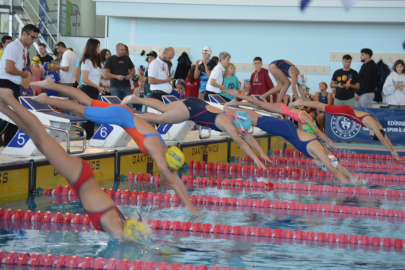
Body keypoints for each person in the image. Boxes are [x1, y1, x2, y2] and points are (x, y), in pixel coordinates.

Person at [0, 88, 155, 245]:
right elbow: (125, 240)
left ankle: (3, 107)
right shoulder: (113, 222)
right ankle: (9, 98)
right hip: (79, 176)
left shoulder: (119, 220)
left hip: (80, 177)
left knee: (37, 139)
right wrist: (151, 251)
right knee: (41, 135)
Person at [31, 79, 200, 217]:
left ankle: (50, 84)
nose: (170, 170)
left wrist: (189, 204)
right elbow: (171, 179)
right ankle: (45, 99)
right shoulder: (157, 150)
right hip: (120, 115)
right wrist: (190, 208)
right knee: (80, 110)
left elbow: (175, 178)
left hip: (124, 112)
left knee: (87, 101)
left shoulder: (164, 147)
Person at [222, 102, 356, 185]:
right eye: (322, 166)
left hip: (288, 128)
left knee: (256, 115)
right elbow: (334, 169)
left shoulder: (322, 151)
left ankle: (231, 107)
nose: (319, 167)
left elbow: (336, 168)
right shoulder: (319, 151)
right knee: (256, 116)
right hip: (286, 128)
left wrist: (356, 184)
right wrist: (351, 186)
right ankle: (230, 108)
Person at [122, 95, 270, 170]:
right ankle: (131, 116)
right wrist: (255, 159)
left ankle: (136, 99)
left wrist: (262, 153)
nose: (243, 132)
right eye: (243, 130)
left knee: (162, 107)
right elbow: (241, 143)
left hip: (195, 102)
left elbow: (247, 137)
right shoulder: (229, 126)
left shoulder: (233, 116)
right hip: (192, 110)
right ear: (239, 124)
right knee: (161, 119)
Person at [290, 99, 400, 160]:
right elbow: (382, 139)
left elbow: (385, 137)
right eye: (372, 135)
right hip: (346, 111)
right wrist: (391, 151)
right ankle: (300, 102)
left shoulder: (378, 126)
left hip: (347, 111)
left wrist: (394, 151)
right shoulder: (373, 125)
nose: (370, 133)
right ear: (375, 133)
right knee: (321, 106)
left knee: (321, 106)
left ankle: (301, 102)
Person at [226, 92, 336, 151]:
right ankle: (238, 98)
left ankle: (237, 103)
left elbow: (317, 134)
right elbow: (318, 132)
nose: (304, 129)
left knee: (259, 107)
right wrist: (330, 141)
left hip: (282, 110)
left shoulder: (305, 121)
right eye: (306, 129)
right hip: (282, 109)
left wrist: (328, 142)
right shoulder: (307, 119)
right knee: (259, 104)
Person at [0, 24, 38, 146]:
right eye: (32, 37)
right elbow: (9, 68)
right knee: (9, 119)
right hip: (5, 85)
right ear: (24, 34)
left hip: (14, 86)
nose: (33, 41)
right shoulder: (14, 46)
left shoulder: (24, 49)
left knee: (14, 121)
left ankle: (8, 146)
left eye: (35, 38)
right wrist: (24, 74)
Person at [80, 38, 106, 139]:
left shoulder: (94, 61)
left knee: (91, 116)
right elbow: (84, 79)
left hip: (93, 90)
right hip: (88, 90)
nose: (99, 49)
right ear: (92, 48)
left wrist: (99, 87)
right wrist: (97, 87)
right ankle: (85, 137)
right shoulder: (87, 61)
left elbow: (93, 78)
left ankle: (89, 136)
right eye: (98, 47)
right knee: (88, 116)